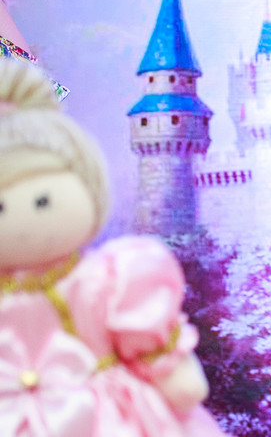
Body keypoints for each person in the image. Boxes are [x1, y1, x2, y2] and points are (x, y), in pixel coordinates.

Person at [0, 59, 225, 435]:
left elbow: (142, 338)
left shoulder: (110, 279)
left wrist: (173, 377)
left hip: (107, 415)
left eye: (42, 200)